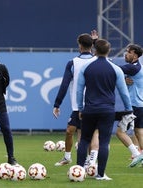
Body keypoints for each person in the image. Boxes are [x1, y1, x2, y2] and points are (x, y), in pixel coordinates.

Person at [76, 39, 133, 180]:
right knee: (104, 142)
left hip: (89, 109)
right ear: (108, 51)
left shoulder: (86, 67)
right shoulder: (116, 69)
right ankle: (100, 175)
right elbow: (124, 92)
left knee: (84, 140)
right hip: (107, 111)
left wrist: (80, 108)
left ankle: (79, 172)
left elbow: (79, 90)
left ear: (95, 50)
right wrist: (129, 110)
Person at [53, 31, 99, 166]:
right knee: (70, 131)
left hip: (90, 106)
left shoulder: (91, 61)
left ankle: (90, 162)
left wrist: (56, 104)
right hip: (77, 106)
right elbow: (65, 84)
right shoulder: (75, 62)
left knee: (85, 135)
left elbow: (64, 85)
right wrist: (58, 103)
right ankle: (67, 157)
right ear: (91, 45)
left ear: (79, 45)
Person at [115, 44, 143, 167]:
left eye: (128, 52)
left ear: (135, 55)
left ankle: (136, 154)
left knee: (120, 132)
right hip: (139, 105)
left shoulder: (133, 68)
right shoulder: (136, 67)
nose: (125, 54)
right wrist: (124, 79)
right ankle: (140, 155)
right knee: (138, 132)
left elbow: (114, 69)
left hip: (134, 106)